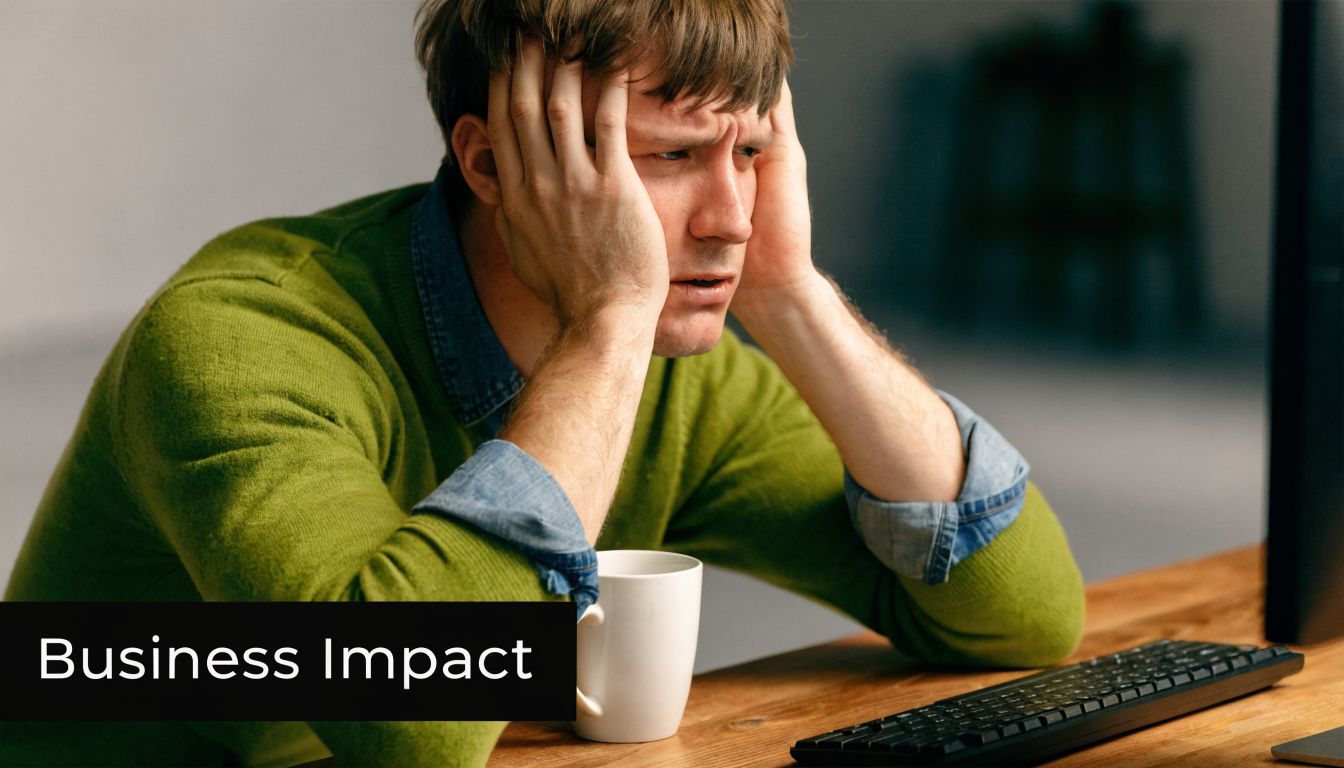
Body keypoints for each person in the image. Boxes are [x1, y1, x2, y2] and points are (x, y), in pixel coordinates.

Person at [2, 0, 1084, 765]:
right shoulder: (238, 338)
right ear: (491, 163)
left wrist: (790, 293)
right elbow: (406, 721)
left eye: (749, 154)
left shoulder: (687, 379)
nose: (729, 218)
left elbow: (1023, 616)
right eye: (666, 159)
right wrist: (610, 318)